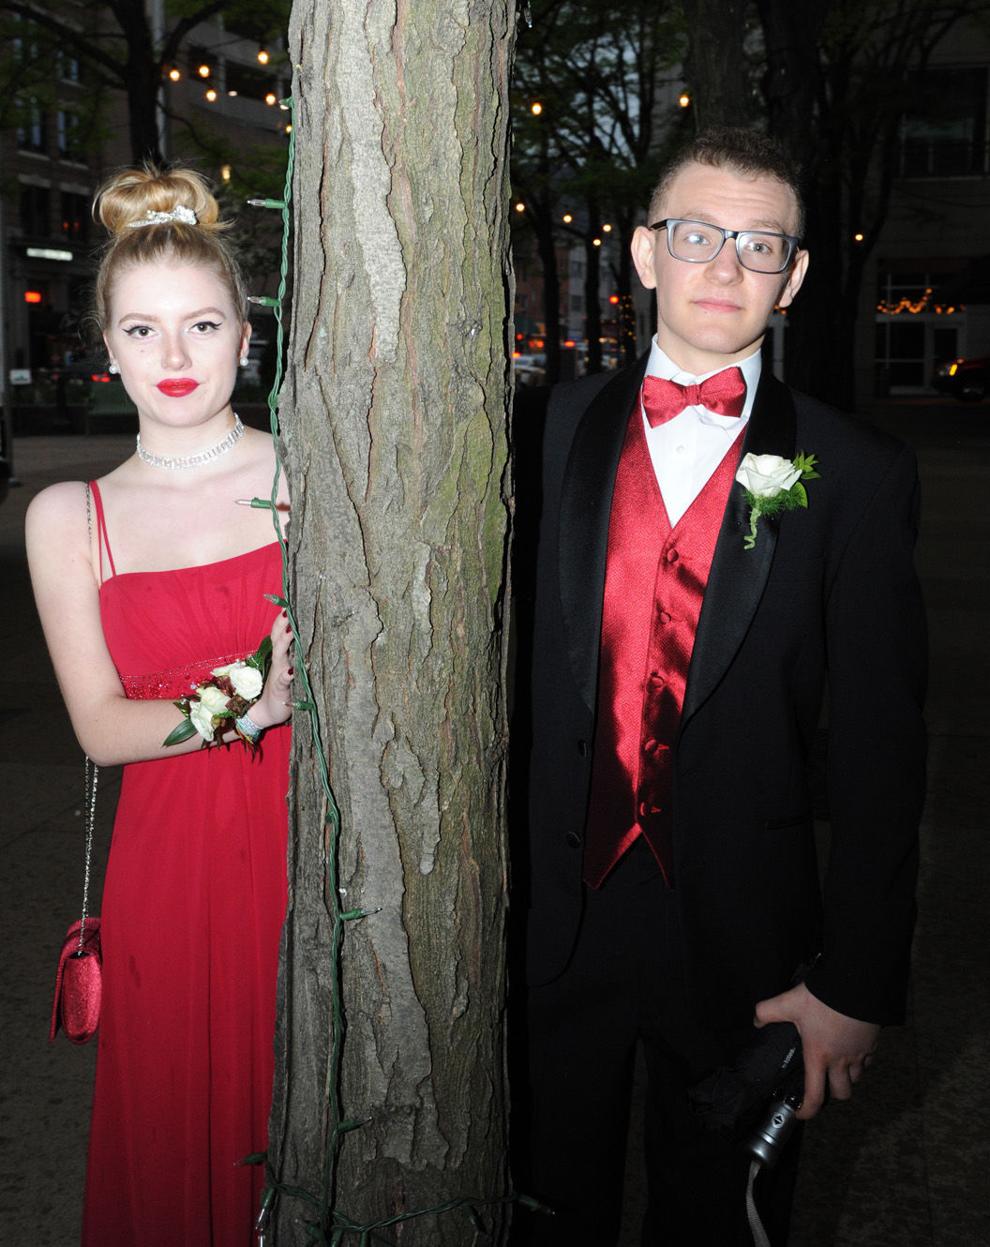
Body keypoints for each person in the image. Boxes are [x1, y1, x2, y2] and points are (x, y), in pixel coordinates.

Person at [512, 128, 927, 1245]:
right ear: (645, 253)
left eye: (758, 244)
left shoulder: (861, 475)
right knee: (539, 1211)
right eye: (697, 235)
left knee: (724, 1221)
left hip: (747, 943)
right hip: (543, 920)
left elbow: (887, 750)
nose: (724, 268)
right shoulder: (529, 436)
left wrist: (856, 980)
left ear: (793, 276)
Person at [26, 166, 293, 1246]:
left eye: (200, 324)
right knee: (183, 1128)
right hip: (167, 875)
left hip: (303, 849)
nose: (173, 358)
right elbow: (98, 724)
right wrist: (249, 703)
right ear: (108, 344)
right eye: (143, 329)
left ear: (244, 334)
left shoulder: (306, 477)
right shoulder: (67, 515)